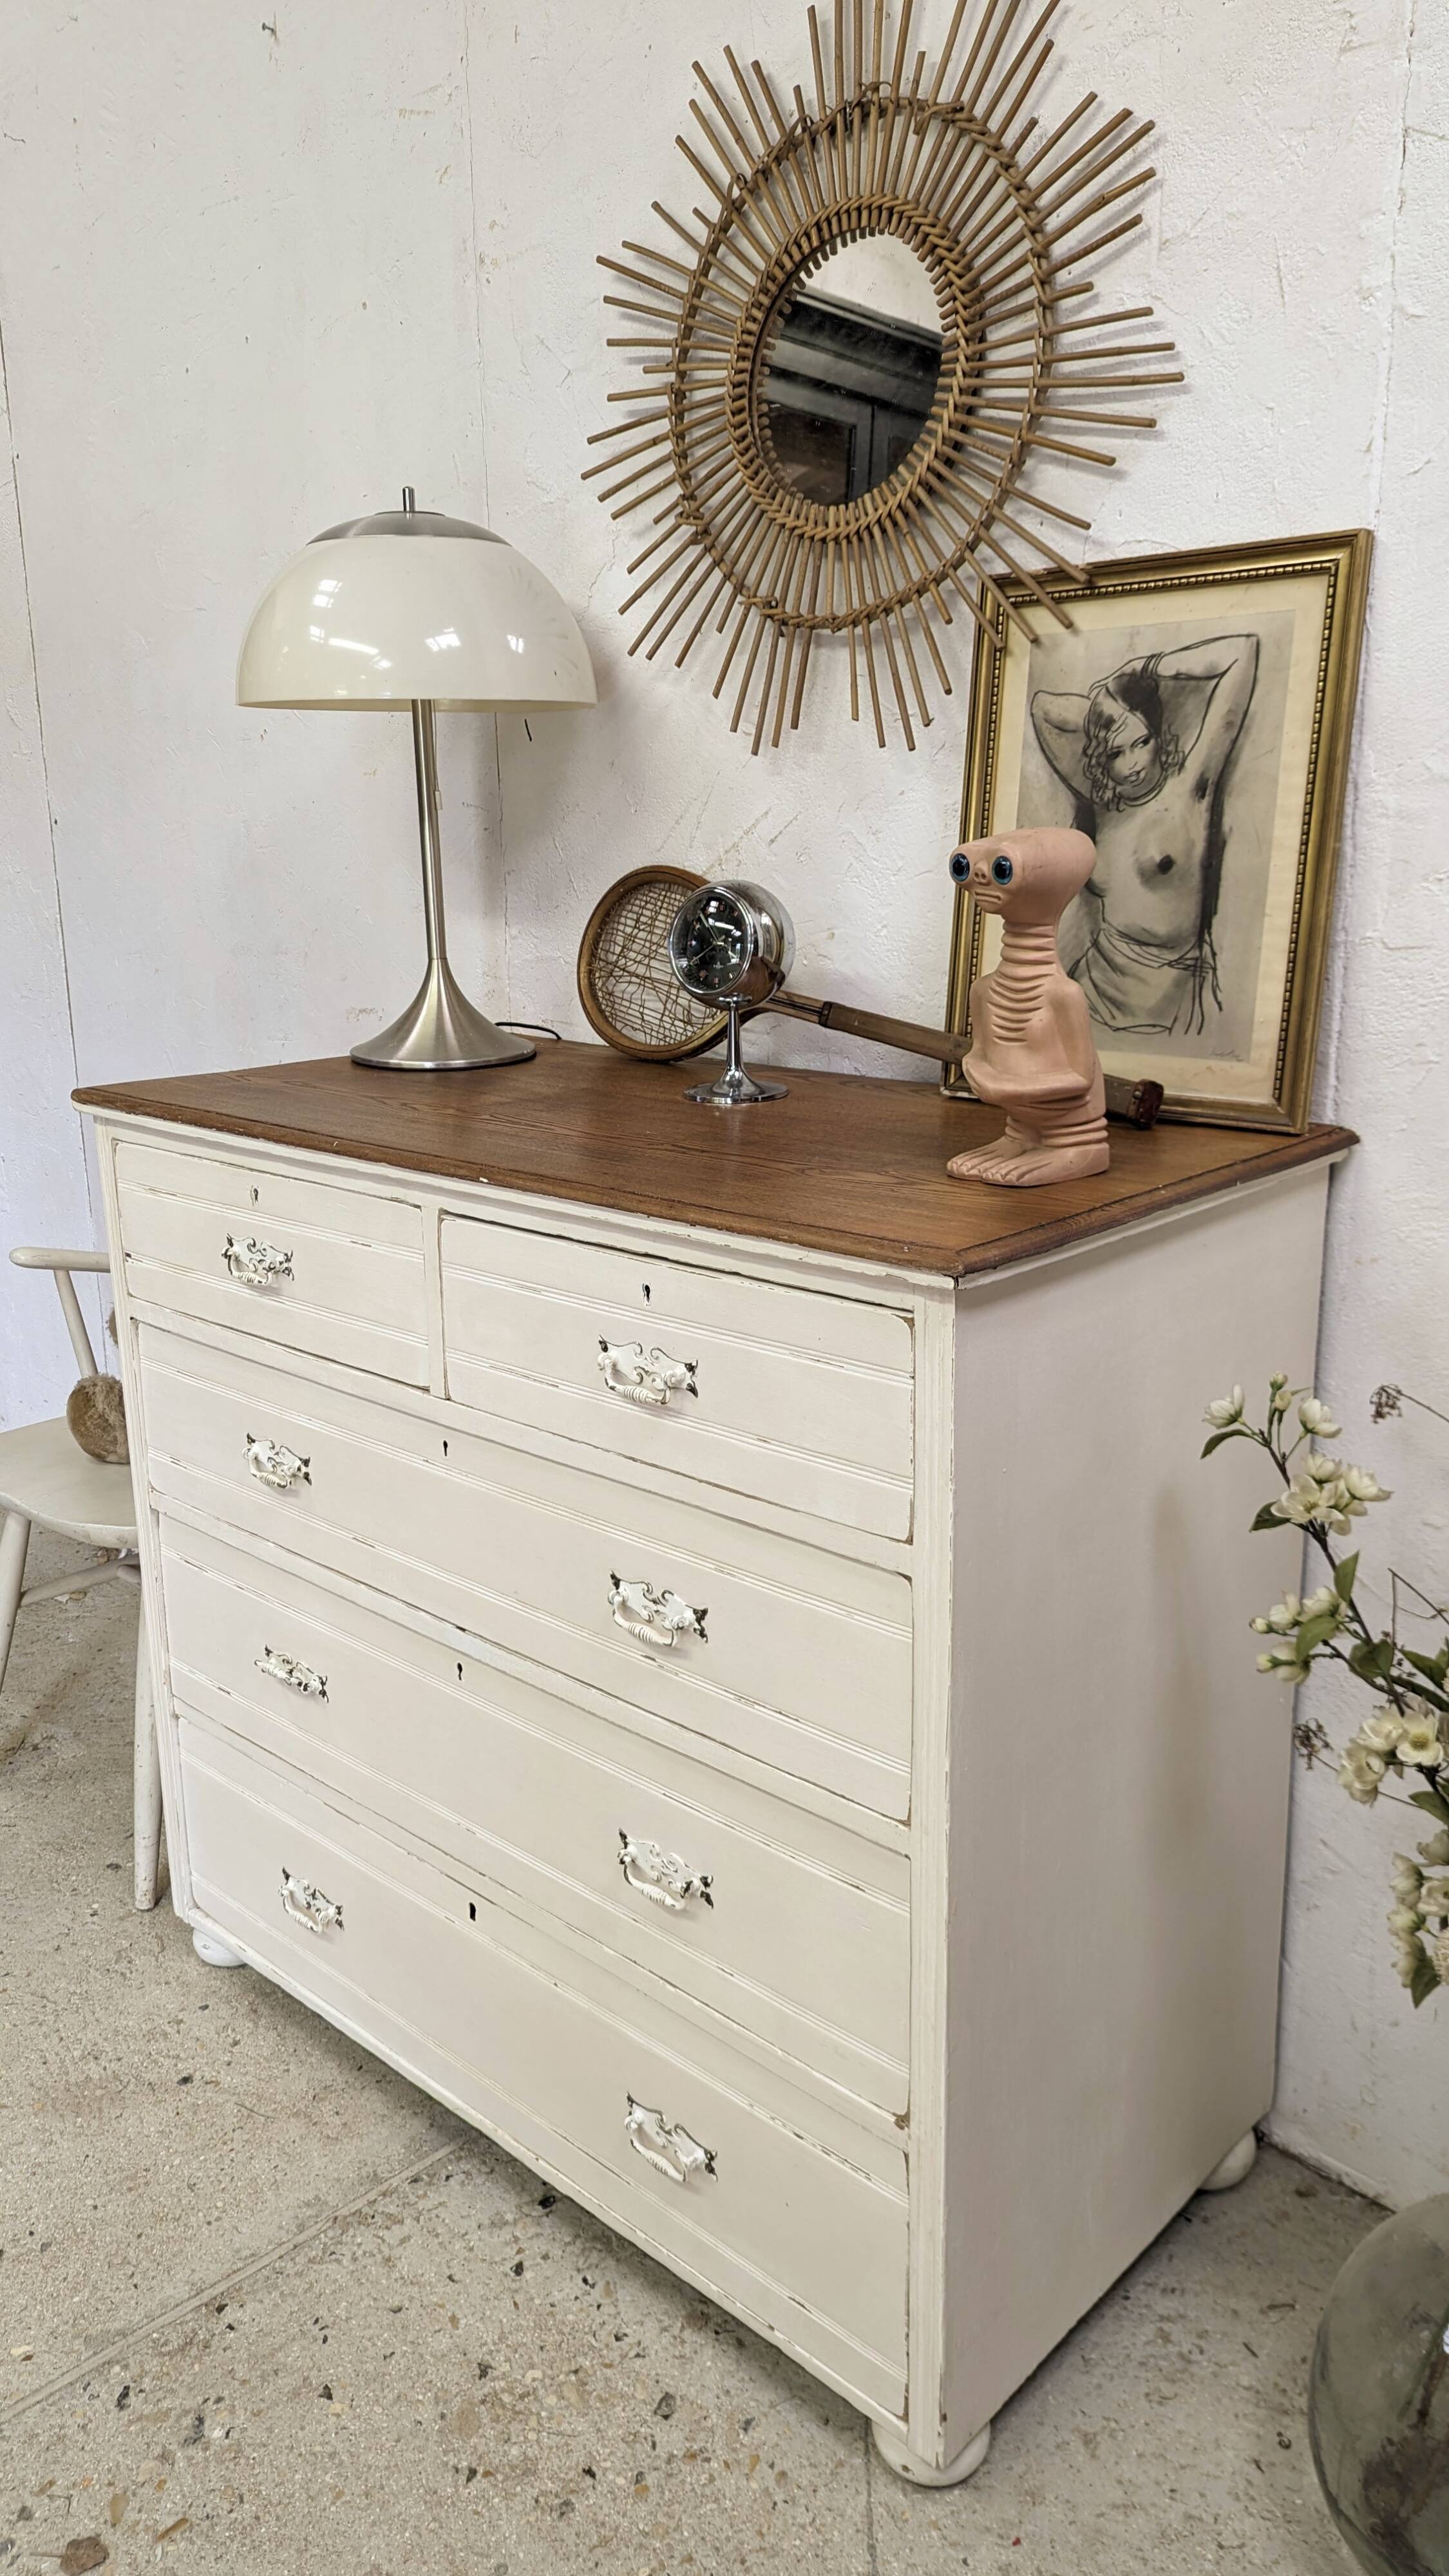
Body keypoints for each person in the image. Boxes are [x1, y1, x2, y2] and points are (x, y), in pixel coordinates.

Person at [1028, 633, 1259, 1038]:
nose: (1133, 763)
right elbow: (1042, 708)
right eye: (1116, 753)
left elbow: (1243, 653)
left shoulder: (1191, 787)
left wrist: (1142, 670)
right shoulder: (1104, 804)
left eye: (1142, 742)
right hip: (1093, 986)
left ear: (1159, 737)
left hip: (1170, 999)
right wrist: (1103, 708)